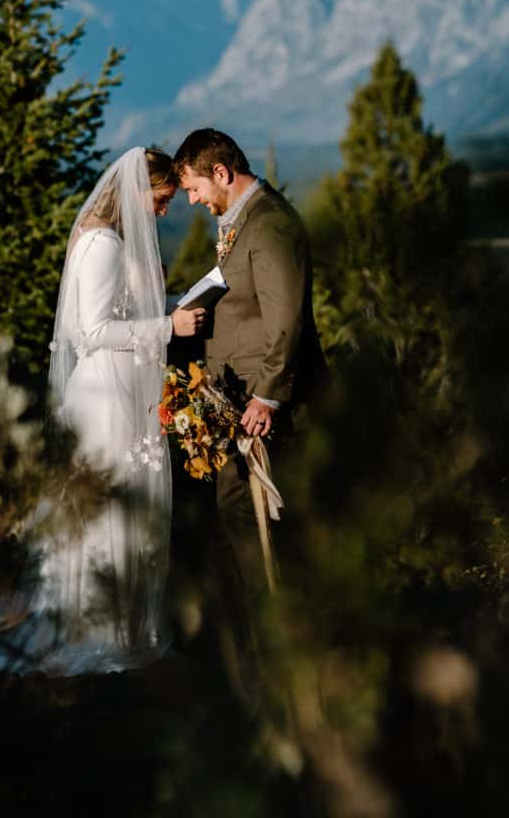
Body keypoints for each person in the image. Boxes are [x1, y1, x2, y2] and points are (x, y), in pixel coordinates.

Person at [0, 147, 204, 677]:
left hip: (123, 390)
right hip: (105, 399)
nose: (164, 212)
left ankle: (127, 626)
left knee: (126, 506)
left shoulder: (115, 242)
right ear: (136, 190)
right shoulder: (102, 244)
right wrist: (165, 329)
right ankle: (99, 631)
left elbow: (120, 314)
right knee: (108, 509)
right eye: (161, 199)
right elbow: (88, 332)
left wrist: (170, 307)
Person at [172, 128, 327, 659]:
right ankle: (266, 630)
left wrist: (267, 396)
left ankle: (283, 638)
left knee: (258, 517)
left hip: (262, 405)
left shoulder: (271, 223)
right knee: (237, 512)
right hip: (235, 400)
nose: (192, 201)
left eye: (193, 188)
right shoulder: (239, 223)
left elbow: (286, 317)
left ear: (220, 172)